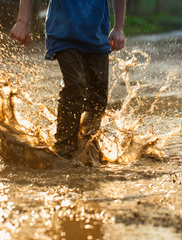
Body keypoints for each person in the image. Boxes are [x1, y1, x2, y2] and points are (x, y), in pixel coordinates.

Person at [10, 0, 126, 161]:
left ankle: (87, 145)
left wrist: (119, 28)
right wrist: (22, 22)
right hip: (62, 32)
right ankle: (64, 149)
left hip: (97, 33)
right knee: (76, 82)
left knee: (99, 94)